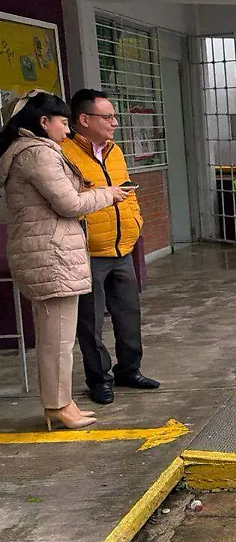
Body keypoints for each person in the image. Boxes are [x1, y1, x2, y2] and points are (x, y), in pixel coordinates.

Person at [0, 91, 128, 429]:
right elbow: (69, 204)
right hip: (51, 255)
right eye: (63, 122)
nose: (68, 130)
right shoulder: (38, 153)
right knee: (57, 339)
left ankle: (61, 402)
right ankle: (58, 405)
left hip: (48, 253)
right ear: (44, 122)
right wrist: (107, 194)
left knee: (56, 337)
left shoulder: (29, 151)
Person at [61, 89, 159, 405]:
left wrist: (136, 221)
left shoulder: (115, 151)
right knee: (90, 321)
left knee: (129, 314)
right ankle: (99, 379)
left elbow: (127, 191)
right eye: (107, 117)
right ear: (84, 119)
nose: (114, 122)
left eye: (114, 116)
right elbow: (67, 202)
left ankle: (129, 370)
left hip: (122, 249)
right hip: (88, 252)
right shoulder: (64, 153)